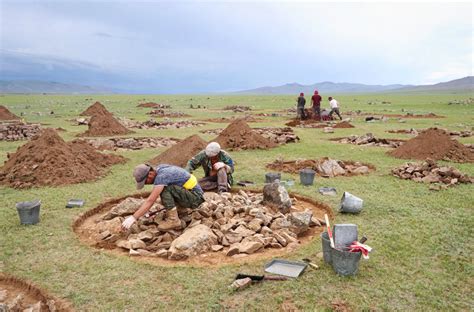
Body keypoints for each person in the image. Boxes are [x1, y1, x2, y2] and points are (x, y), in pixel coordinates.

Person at [121, 163, 204, 231]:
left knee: (165, 190)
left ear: (150, 174)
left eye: (145, 181)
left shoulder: (162, 177)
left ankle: (173, 220)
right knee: (164, 194)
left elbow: (150, 200)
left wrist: (133, 218)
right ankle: (181, 209)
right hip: (191, 194)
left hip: (196, 198)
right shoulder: (160, 168)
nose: (146, 184)